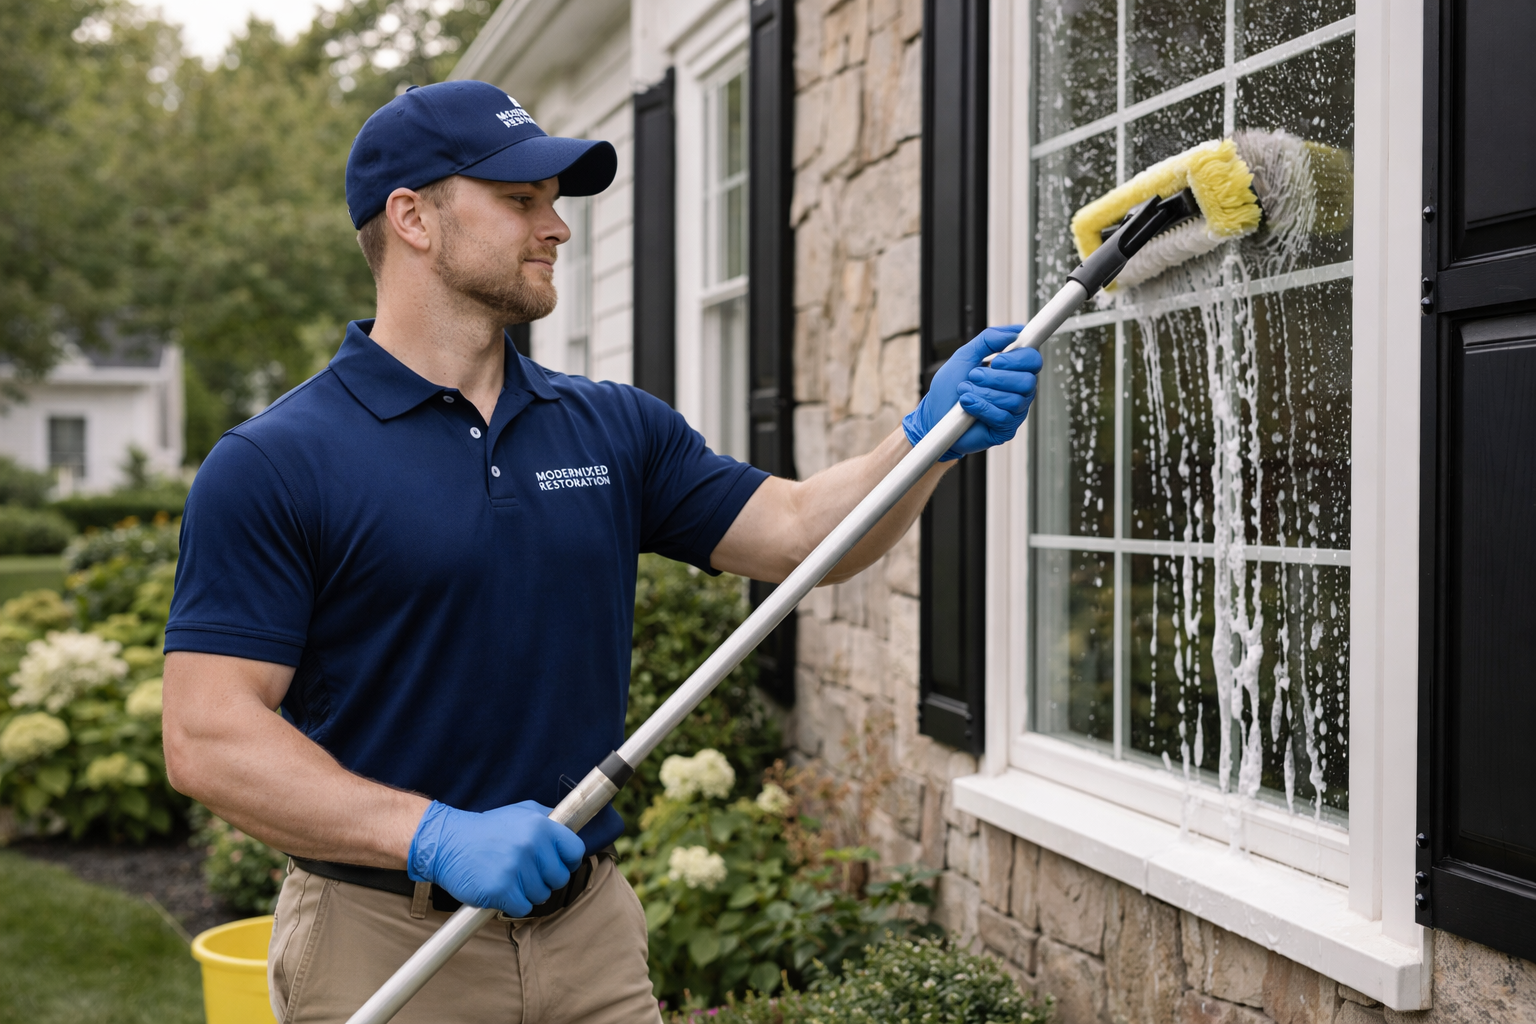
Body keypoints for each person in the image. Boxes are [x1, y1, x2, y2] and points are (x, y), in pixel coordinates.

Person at [161, 80, 1042, 1024]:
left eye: (554, 203)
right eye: (519, 201)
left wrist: (925, 438)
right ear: (413, 217)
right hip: (383, 938)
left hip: (590, 941)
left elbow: (799, 536)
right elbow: (209, 736)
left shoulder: (609, 428)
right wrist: (431, 833)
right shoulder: (276, 463)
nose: (557, 229)